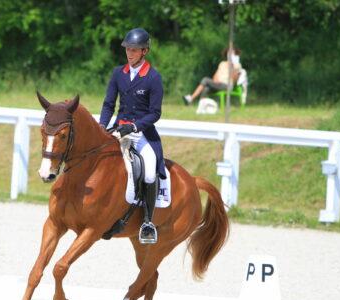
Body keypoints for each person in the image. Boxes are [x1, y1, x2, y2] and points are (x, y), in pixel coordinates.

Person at [99, 28, 166, 244]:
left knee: (148, 172)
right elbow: (109, 103)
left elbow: (155, 113)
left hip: (142, 134)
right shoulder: (118, 73)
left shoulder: (153, 77)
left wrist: (135, 127)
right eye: (128, 49)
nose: (129, 53)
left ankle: (147, 221)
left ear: (144, 51)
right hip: (118, 130)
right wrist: (102, 126)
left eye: (134, 50)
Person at [182, 47, 247, 105]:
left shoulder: (237, 65)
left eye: (232, 53)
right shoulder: (222, 63)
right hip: (218, 84)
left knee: (205, 79)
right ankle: (202, 106)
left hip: (227, 86)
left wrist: (233, 68)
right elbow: (215, 76)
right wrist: (216, 80)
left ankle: (191, 98)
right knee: (206, 88)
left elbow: (235, 80)